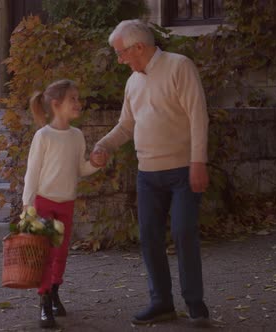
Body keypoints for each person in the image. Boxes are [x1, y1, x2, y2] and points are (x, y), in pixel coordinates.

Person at [90, 19, 211, 327]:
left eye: (121, 53)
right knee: (149, 238)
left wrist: (198, 162)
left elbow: (198, 116)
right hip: (148, 175)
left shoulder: (179, 66)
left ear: (139, 47)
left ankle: (195, 304)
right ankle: (162, 304)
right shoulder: (133, 82)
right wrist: (104, 144)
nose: (119, 59)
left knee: (184, 234)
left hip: (184, 171)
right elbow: (126, 126)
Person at [23, 79, 101, 328]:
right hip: (44, 202)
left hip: (67, 203)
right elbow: (32, 172)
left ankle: (54, 290)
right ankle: (44, 301)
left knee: (61, 254)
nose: (79, 103)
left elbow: (81, 169)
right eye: (73, 99)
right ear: (56, 105)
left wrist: (96, 164)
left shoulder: (77, 136)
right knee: (46, 253)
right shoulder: (43, 136)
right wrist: (27, 205)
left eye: (78, 98)